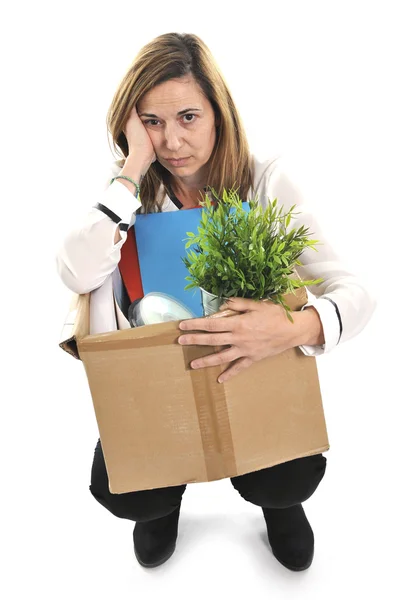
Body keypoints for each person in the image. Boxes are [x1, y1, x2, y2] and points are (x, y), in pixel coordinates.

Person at [56, 32, 376, 571]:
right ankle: (162, 505)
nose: (172, 142)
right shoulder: (123, 194)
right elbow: (76, 269)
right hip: (156, 387)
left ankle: (280, 505)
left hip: (253, 377)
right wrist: (131, 169)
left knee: (287, 477)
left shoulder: (265, 180)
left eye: (188, 117)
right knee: (129, 489)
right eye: (151, 123)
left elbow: (357, 294)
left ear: (218, 113)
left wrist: (293, 328)